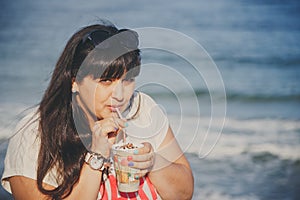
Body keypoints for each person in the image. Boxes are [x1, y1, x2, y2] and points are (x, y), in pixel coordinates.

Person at [1, 22, 194, 199]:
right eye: (106, 81)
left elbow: (184, 194)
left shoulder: (142, 110)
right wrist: (96, 157)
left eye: (127, 80)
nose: (119, 95)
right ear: (74, 81)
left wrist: (152, 162)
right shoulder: (34, 134)